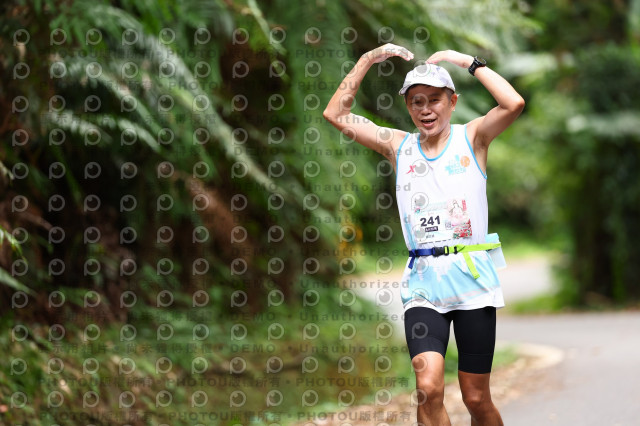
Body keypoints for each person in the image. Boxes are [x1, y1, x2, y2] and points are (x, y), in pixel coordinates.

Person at [323, 44, 524, 426]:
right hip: (423, 285)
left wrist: (465, 62)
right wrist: (368, 60)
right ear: (408, 106)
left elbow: (513, 103)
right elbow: (336, 114)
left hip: (472, 281)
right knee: (428, 388)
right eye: (417, 101)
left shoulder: (473, 138)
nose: (426, 109)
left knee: (476, 397)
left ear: (452, 102)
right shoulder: (399, 146)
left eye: (435, 100)